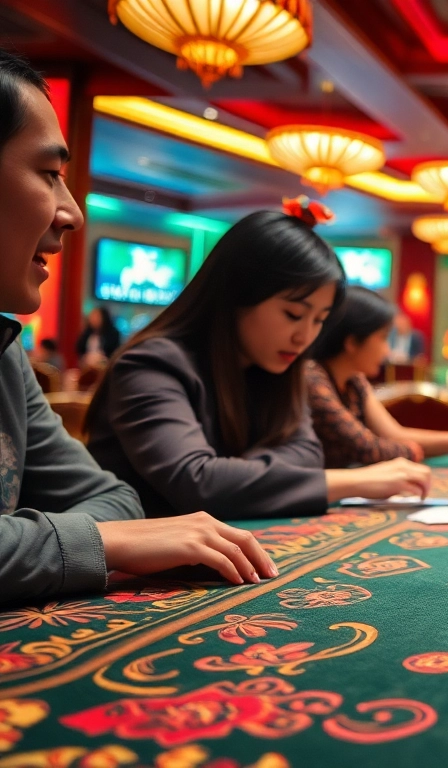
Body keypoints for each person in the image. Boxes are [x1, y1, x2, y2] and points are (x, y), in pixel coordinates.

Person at [0, 48, 275, 603]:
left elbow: (114, 500)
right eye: (50, 174)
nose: (73, 212)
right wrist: (101, 540)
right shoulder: (154, 362)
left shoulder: (5, 351)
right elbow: (194, 484)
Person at [86, 207, 432, 520]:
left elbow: (305, 453)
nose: (305, 337)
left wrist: (234, 477)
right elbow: (199, 484)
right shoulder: (150, 365)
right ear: (237, 295)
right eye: (293, 314)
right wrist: (353, 481)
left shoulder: (279, 367)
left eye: (319, 320)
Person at [307, 286, 448, 468]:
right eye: (382, 338)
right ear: (352, 342)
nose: (387, 351)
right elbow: (368, 449)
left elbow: (394, 435)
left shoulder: (354, 381)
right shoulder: (313, 378)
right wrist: (412, 452)